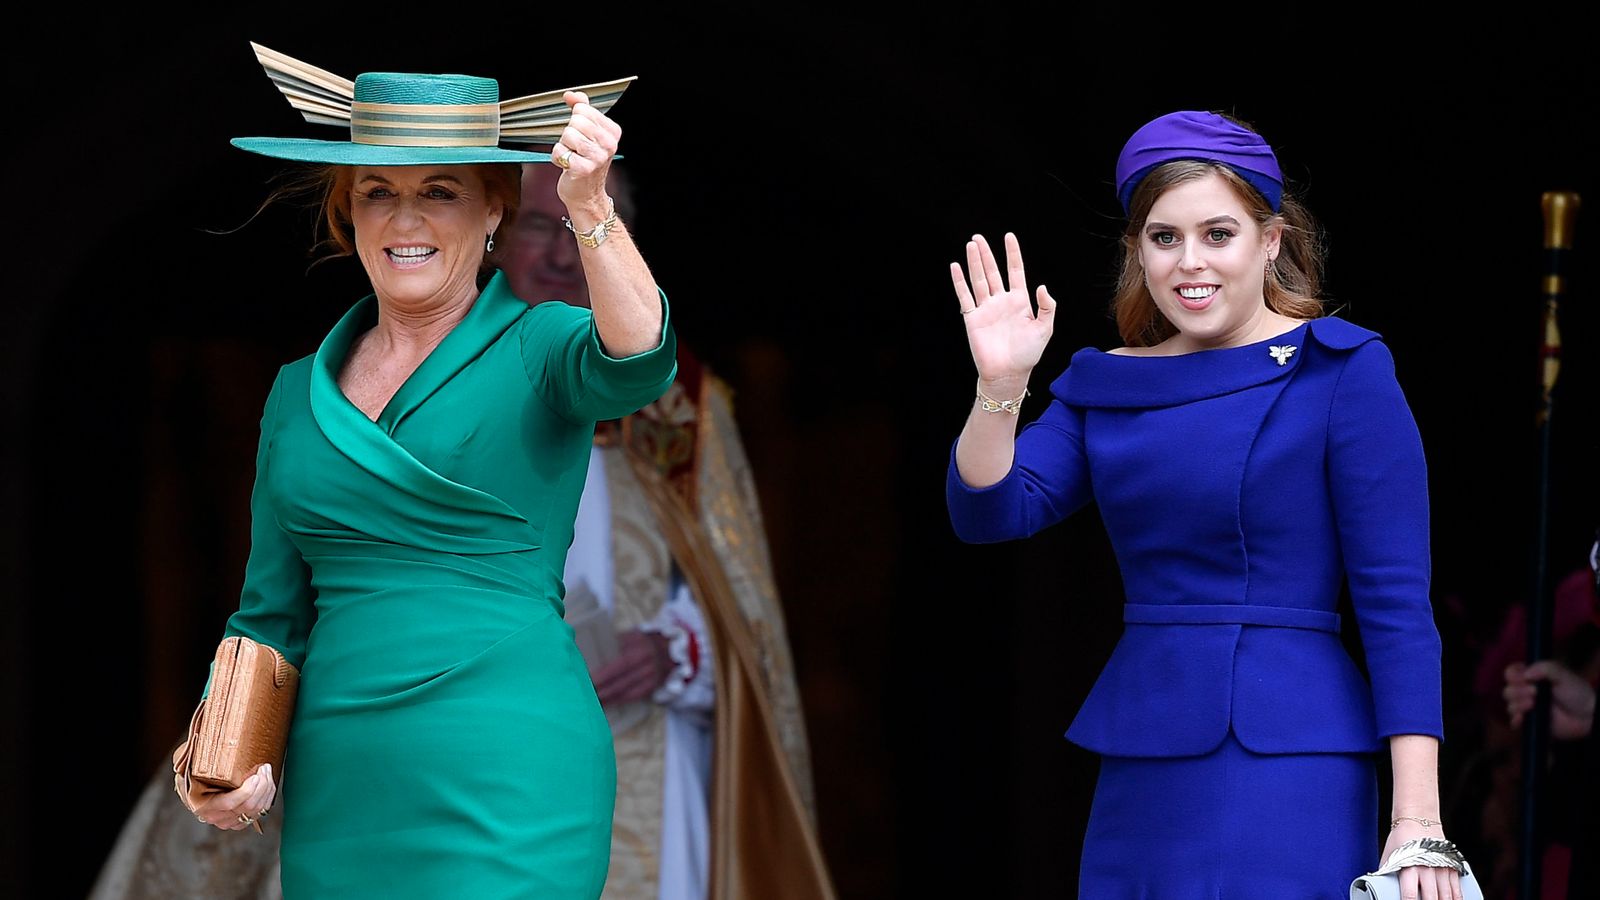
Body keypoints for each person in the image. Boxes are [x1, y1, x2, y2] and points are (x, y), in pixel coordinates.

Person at [139, 47, 672, 900]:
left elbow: (639, 360)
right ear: (347, 213)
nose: (405, 218)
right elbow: (269, 612)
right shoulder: (296, 394)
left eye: (440, 191)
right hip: (344, 791)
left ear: (495, 209)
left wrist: (590, 207)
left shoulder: (539, 345)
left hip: (513, 773)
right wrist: (228, 751)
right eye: (378, 192)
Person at [943, 111, 1464, 899]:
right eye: (1164, 237)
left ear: (1271, 240)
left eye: (1218, 234)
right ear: (1137, 251)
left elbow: (1395, 604)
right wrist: (1001, 388)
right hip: (1143, 752)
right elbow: (989, 514)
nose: (1191, 262)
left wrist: (1418, 819)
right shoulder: (1109, 381)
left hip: (1287, 758)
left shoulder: (1341, 370)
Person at [498, 162, 836, 900]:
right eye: (538, 226)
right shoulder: (427, 382)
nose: (561, 254)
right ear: (492, 236)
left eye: (585, 229)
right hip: (474, 750)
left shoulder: (677, 403)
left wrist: (674, 652)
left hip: (643, 756)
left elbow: (745, 609)